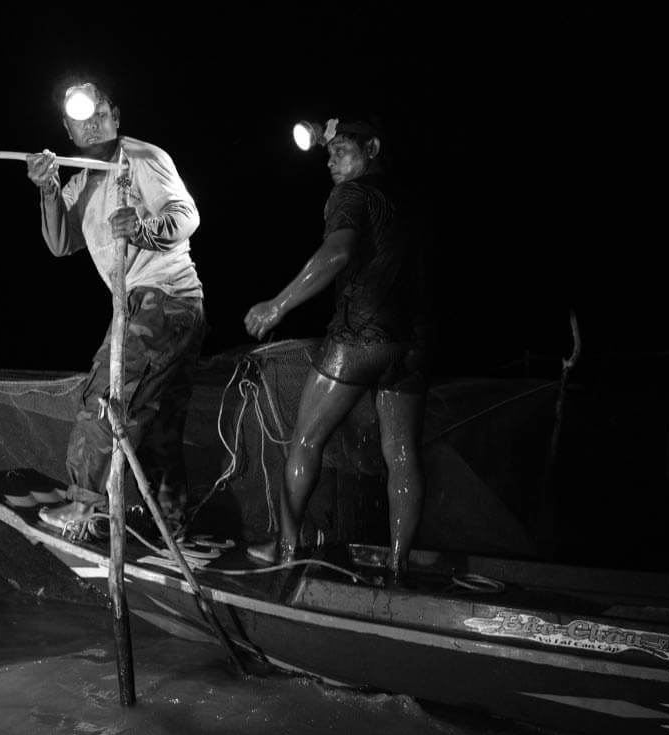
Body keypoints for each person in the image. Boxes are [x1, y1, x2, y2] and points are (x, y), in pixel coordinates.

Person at [244, 113, 431, 580]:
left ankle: (287, 547)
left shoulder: (352, 194)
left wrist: (276, 305)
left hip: (358, 340)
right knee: (402, 454)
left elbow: (337, 253)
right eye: (329, 153)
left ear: (372, 149)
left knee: (306, 439)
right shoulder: (409, 197)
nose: (331, 161)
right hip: (412, 345)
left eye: (342, 150)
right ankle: (398, 564)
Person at [25, 79, 206, 538]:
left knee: (103, 401)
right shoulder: (80, 179)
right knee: (160, 425)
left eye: (99, 115)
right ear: (68, 130)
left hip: (163, 298)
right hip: (158, 307)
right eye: (80, 121)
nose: (91, 126)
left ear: (116, 116)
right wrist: (47, 190)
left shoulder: (142, 158)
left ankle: (84, 505)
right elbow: (60, 243)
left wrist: (144, 227)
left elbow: (187, 215)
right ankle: (172, 527)